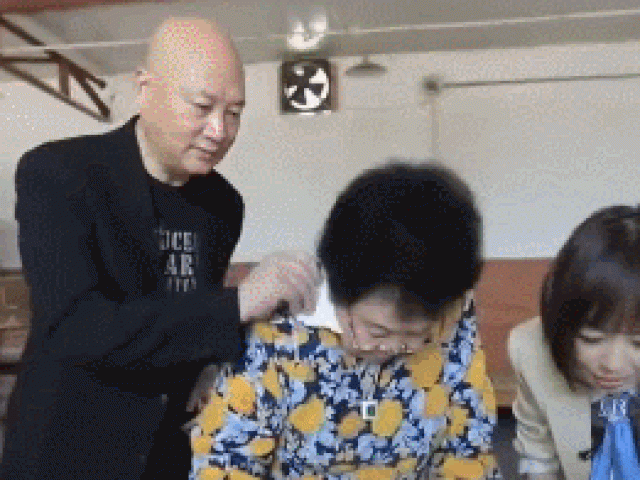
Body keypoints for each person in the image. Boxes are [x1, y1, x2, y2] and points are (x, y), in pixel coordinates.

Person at [1, 17, 320, 480]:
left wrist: (213, 362)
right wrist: (237, 304)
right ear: (144, 88)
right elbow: (77, 329)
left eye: (234, 112)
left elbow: (189, 317)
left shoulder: (221, 204)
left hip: (165, 451)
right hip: (66, 450)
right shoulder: (61, 174)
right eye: (202, 106)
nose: (219, 130)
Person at [188, 161, 502, 479]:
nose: (392, 348)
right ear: (338, 292)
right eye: (376, 331)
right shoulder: (280, 331)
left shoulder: (451, 315)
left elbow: (469, 449)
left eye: (416, 336)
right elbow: (225, 462)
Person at [509, 205, 640, 480]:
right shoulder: (530, 350)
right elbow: (537, 454)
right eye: (591, 339)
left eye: (638, 344)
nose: (613, 365)